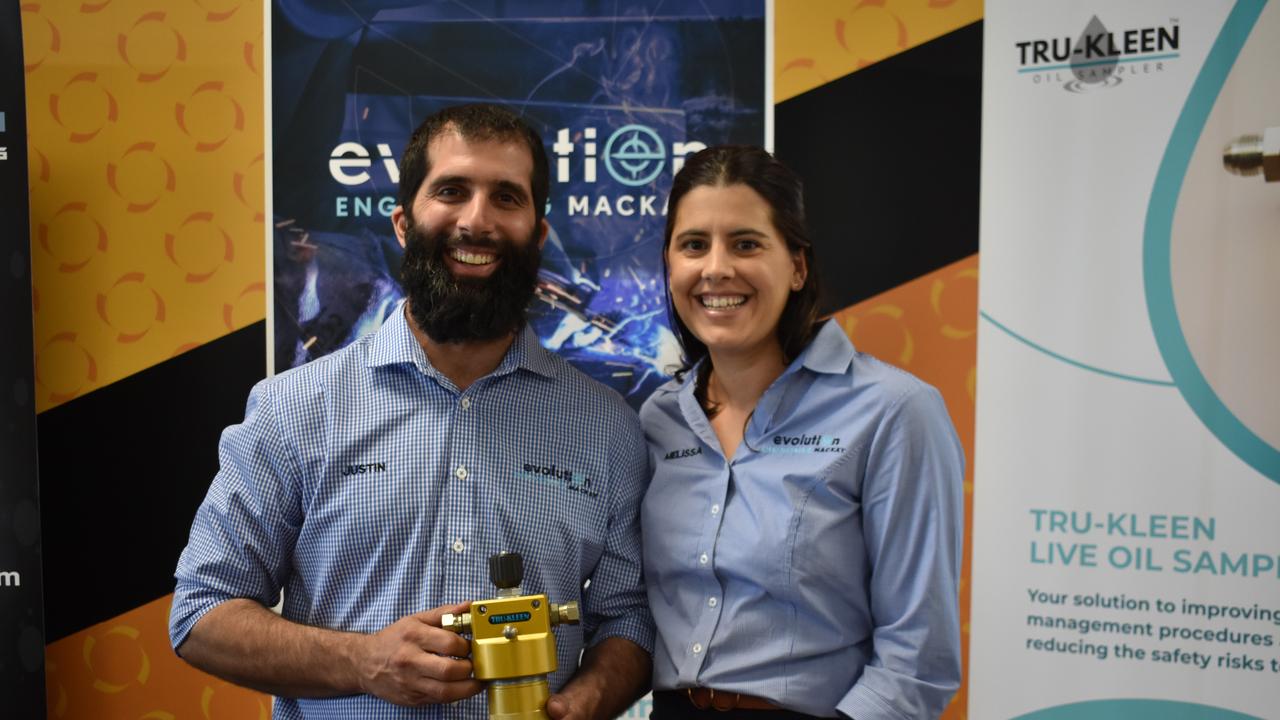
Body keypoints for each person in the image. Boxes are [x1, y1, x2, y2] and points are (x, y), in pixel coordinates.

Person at [169, 104, 653, 720]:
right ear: (403, 223)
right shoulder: (294, 409)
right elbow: (202, 613)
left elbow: (628, 615)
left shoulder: (605, 426)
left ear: (537, 233)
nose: (477, 220)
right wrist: (362, 661)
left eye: (507, 197)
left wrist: (586, 701)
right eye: (452, 191)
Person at [640, 146, 964, 720]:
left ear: (797, 265)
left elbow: (918, 660)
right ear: (670, 266)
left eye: (746, 243)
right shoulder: (657, 419)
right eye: (694, 245)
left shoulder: (894, 411)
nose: (716, 268)